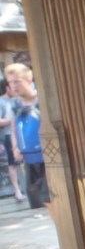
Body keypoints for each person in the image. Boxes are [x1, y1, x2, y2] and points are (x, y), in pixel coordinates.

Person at [5, 63, 55, 224]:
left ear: (29, 80)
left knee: (51, 197)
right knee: (42, 199)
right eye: (10, 82)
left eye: (17, 81)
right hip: (30, 158)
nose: (13, 86)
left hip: (48, 157)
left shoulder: (42, 100)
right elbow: (13, 126)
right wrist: (15, 146)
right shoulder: (16, 104)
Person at [0, 78, 26, 202]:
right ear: (7, 87)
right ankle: (17, 191)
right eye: (12, 85)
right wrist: (12, 120)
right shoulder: (1, 101)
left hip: (24, 133)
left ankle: (29, 188)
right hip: (9, 135)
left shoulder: (19, 100)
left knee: (28, 161)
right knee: (13, 164)